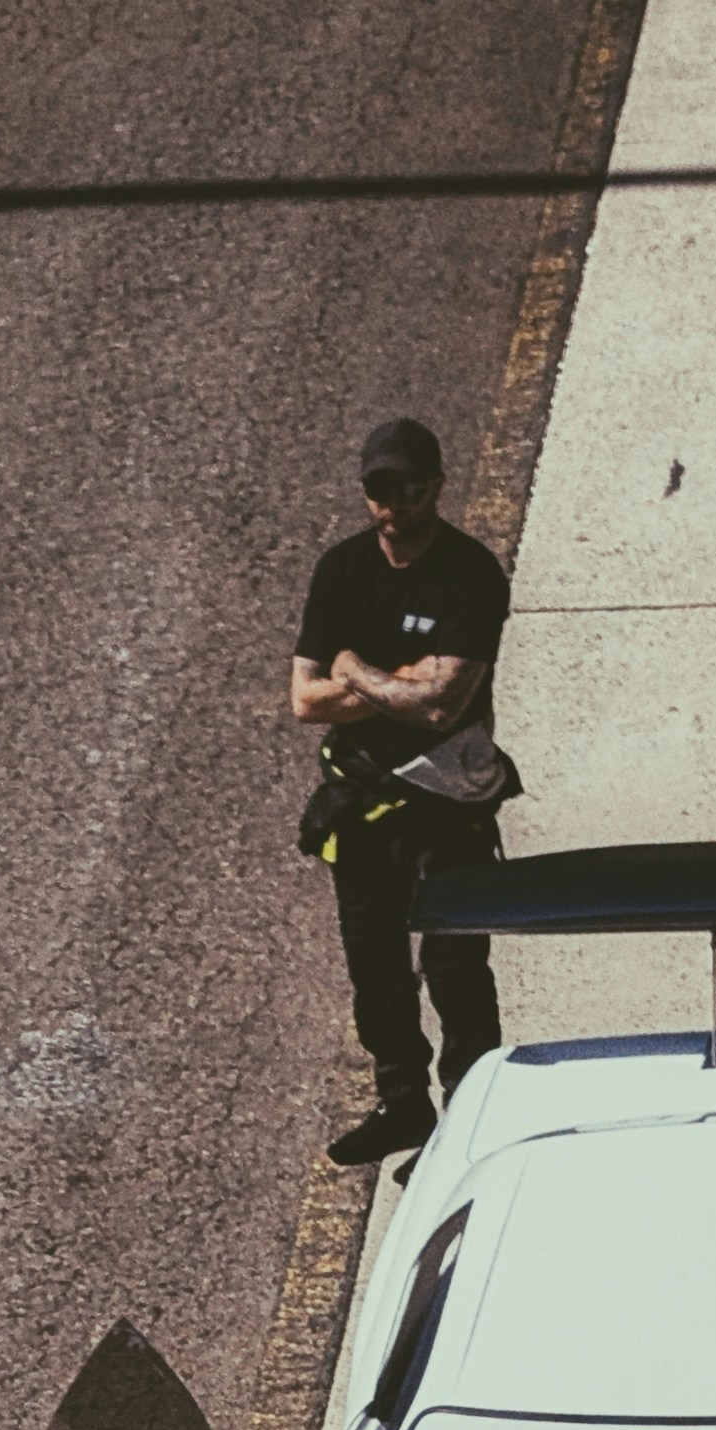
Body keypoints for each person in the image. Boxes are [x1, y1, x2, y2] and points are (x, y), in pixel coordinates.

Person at [291, 416, 514, 1164]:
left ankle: (473, 1111)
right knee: (375, 964)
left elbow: (445, 704)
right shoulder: (341, 570)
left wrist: (352, 670)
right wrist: (401, 683)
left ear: (438, 487)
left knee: (455, 966)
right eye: (379, 489)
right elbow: (302, 699)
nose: (394, 504)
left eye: (409, 488)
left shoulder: (470, 574)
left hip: (447, 797)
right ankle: (403, 1104)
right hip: (362, 802)